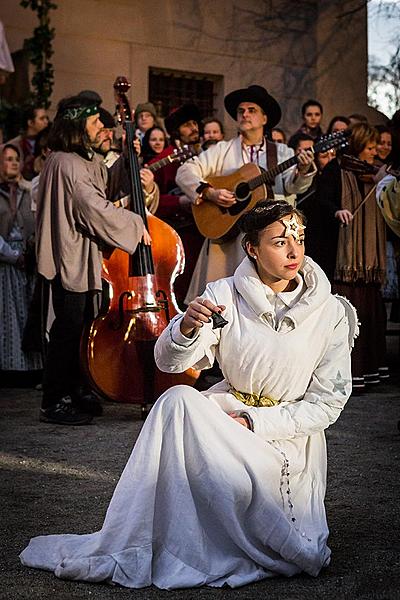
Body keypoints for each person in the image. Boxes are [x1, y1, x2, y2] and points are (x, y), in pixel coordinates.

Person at [20, 199, 356, 589]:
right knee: (176, 401)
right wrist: (186, 330)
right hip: (228, 417)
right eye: (279, 241)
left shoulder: (330, 311)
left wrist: (254, 421)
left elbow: (327, 402)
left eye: (298, 238)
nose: (294, 250)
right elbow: (169, 363)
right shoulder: (225, 295)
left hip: (287, 441)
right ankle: (140, 539)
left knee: (194, 420)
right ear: (251, 248)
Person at [36, 95, 149, 425]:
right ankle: (54, 399)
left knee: (86, 322)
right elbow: (91, 208)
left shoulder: (84, 161)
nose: (102, 126)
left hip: (84, 255)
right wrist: (134, 224)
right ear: (76, 124)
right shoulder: (66, 162)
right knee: (68, 326)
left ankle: (76, 388)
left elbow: (105, 189)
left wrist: (128, 160)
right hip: (68, 254)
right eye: (95, 121)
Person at [176, 84, 316, 303]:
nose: (244, 114)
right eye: (241, 111)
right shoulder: (221, 150)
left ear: (264, 118)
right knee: (222, 302)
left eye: (252, 110)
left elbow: (292, 186)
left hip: (268, 240)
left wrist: (305, 170)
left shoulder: (281, 152)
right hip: (228, 239)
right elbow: (185, 171)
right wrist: (209, 192)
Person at [316, 122, 387, 392]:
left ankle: (369, 371)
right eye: (369, 148)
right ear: (358, 147)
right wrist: (337, 211)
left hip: (368, 262)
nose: (374, 153)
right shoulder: (337, 169)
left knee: (370, 312)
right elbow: (322, 200)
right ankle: (345, 377)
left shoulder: (375, 175)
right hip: (342, 259)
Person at [150, 103, 204, 307]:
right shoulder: (164, 159)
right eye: (187, 125)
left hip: (201, 230)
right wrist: (179, 201)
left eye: (195, 123)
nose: (194, 128)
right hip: (177, 232)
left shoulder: (204, 155)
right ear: (176, 131)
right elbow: (151, 198)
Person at [0, 144, 42, 376]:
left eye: (16, 158)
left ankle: (31, 367)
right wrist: (11, 255)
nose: (14, 163)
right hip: (6, 261)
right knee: (8, 314)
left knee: (26, 313)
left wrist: (30, 251)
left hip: (28, 260)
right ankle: (9, 366)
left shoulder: (28, 189)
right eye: (8, 159)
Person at [6, 103, 49, 180]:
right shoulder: (14, 145)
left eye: (47, 118)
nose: (46, 122)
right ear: (30, 122)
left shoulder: (47, 143)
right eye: (42, 118)